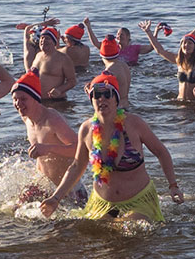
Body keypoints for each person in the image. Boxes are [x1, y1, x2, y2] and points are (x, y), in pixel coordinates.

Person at [39, 73, 184, 222]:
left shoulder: (135, 124)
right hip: (102, 202)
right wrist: (55, 198)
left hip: (139, 201)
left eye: (107, 94)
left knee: (133, 227)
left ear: (116, 100)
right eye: (97, 95)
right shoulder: (86, 129)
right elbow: (77, 166)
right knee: (88, 236)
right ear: (92, 100)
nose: (102, 98)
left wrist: (173, 185)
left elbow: (161, 152)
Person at [9, 71, 79, 201]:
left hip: (68, 188)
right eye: (15, 99)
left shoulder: (52, 119)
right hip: (45, 185)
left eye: (23, 99)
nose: (18, 104)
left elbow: (79, 150)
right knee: (15, 206)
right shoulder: (27, 118)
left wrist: (49, 148)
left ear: (35, 98)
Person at [139, 21, 195, 102]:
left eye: (190, 43)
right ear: (181, 46)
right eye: (184, 43)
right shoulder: (178, 60)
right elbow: (159, 50)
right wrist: (148, 32)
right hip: (180, 102)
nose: (186, 45)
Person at [22, 24, 75, 100]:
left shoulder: (63, 58)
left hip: (57, 101)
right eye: (42, 38)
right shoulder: (38, 55)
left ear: (54, 42)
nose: (43, 40)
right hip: (38, 100)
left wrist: (59, 90)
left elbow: (72, 81)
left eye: (47, 38)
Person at [83, 19, 152, 65]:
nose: (119, 36)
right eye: (118, 34)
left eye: (121, 34)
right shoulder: (112, 47)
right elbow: (96, 43)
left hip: (131, 68)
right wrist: (88, 27)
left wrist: (149, 32)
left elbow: (151, 47)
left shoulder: (135, 49)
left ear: (128, 37)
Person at [96, 36, 132, 106]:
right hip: (126, 104)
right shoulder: (124, 65)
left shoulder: (110, 70)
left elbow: (99, 92)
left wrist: (89, 88)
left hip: (117, 108)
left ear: (102, 56)